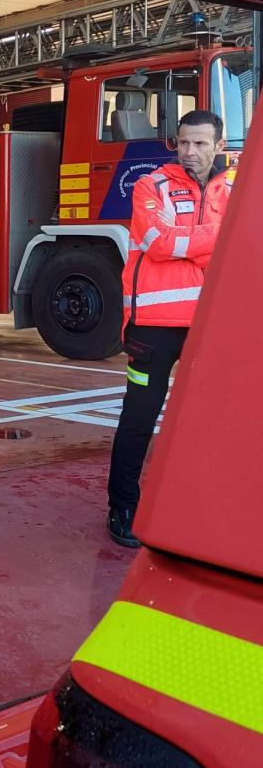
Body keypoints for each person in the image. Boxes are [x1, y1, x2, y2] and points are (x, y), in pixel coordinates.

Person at [107, 109, 234, 547]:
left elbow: (244, 245)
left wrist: (194, 242)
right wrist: (218, 239)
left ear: (219, 145)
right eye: (183, 142)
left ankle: (199, 506)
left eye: (200, 143)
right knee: (139, 418)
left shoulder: (237, 188)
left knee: (211, 421)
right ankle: (122, 507)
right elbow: (160, 241)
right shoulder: (151, 185)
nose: (190, 152)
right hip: (154, 328)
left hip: (211, 327)